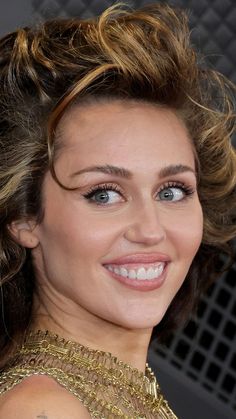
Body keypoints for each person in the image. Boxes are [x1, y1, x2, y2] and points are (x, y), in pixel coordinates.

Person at [0, 2, 235, 418]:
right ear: (24, 217)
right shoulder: (44, 409)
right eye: (104, 194)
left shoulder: (108, 394)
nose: (150, 230)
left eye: (173, 191)